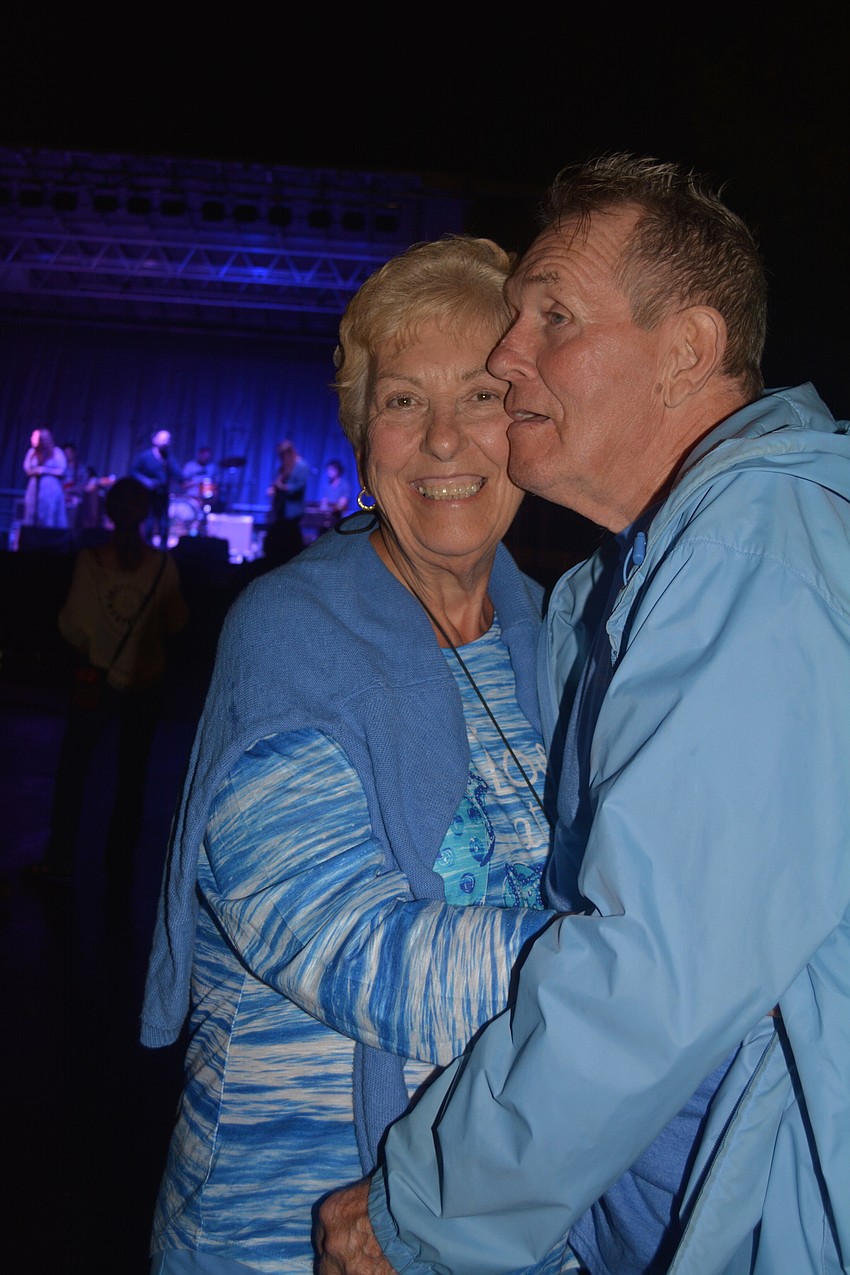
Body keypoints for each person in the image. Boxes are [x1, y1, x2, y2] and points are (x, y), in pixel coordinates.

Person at [314, 155, 850, 1275]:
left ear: (688, 351)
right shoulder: (611, 598)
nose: (507, 359)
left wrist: (424, 1208)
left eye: (551, 315)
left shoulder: (758, 553)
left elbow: (650, 969)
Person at [140, 236, 575, 1274]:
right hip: (291, 1221)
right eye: (399, 402)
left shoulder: (552, 636)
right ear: (359, 432)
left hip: (496, 1215)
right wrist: (656, 967)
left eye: (477, 396)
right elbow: (356, 953)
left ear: (525, 422)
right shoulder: (292, 633)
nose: (439, 443)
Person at [25, 477, 188, 888]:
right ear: (147, 513)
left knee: (73, 772)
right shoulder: (163, 567)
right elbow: (176, 622)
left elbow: (71, 626)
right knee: (132, 778)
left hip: (96, 679)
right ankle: (120, 867)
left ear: (109, 512)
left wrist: (97, 641)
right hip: (146, 684)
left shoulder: (90, 563)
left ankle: (61, 857)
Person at [131, 429, 184, 546]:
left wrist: (190, 479)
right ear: (155, 440)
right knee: (149, 522)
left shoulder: (169, 458)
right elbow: (133, 472)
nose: (165, 442)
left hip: (163, 494)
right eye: (163, 439)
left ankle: (163, 550)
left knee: (164, 523)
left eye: (168, 439)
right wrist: (146, 481)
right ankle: (147, 547)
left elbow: (178, 475)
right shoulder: (145, 456)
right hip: (148, 495)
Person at [262, 437, 311, 563]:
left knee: (290, 538)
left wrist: (282, 487)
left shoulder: (301, 466)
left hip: (292, 513)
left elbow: (297, 488)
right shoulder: (286, 467)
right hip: (281, 512)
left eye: (283, 455)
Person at [22, 427, 68, 528]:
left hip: (50, 487)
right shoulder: (32, 453)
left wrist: (44, 470)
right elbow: (27, 468)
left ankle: (48, 538)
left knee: (49, 513)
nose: (32, 439)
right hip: (35, 487)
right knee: (32, 512)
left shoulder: (56, 452)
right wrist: (36, 470)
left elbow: (62, 470)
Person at [181, 443, 220, 510]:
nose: (206, 459)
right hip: (191, 497)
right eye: (204, 456)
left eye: (208, 457)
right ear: (199, 455)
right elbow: (183, 484)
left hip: (207, 497)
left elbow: (216, 485)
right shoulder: (190, 466)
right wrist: (197, 481)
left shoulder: (212, 467)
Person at [319, 456, 351, 523]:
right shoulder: (327, 485)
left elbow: (342, 503)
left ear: (337, 471)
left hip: (340, 516)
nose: (328, 472)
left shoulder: (344, 485)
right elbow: (324, 501)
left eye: (331, 470)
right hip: (328, 515)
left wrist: (331, 508)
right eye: (328, 470)